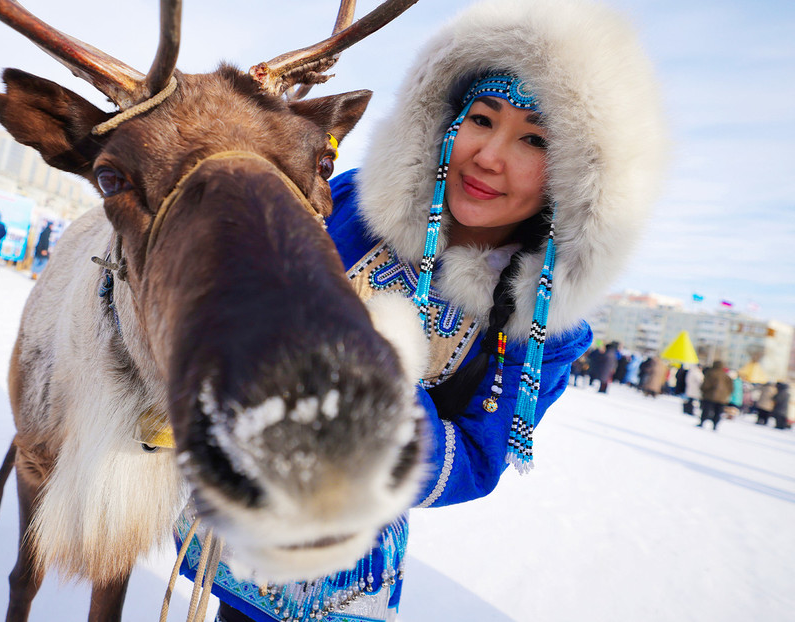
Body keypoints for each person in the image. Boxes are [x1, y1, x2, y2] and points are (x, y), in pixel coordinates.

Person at [176, 1, 667, 619]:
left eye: (534, 138)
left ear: (578, 172)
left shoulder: (541, 327)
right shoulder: (352, 205)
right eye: (481, 118)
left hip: (344, 568)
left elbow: (480, 460)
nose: (489, 156)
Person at [699, 361, 733, 431]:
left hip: (710, 396)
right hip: (722, 398)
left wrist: (703, 390)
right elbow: (731, 388)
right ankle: (715, 425)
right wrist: (726, 395)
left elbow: (706, 384)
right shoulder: (726, 376)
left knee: (706, 410)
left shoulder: (711, 373)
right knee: (718, 412)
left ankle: (702, 422)